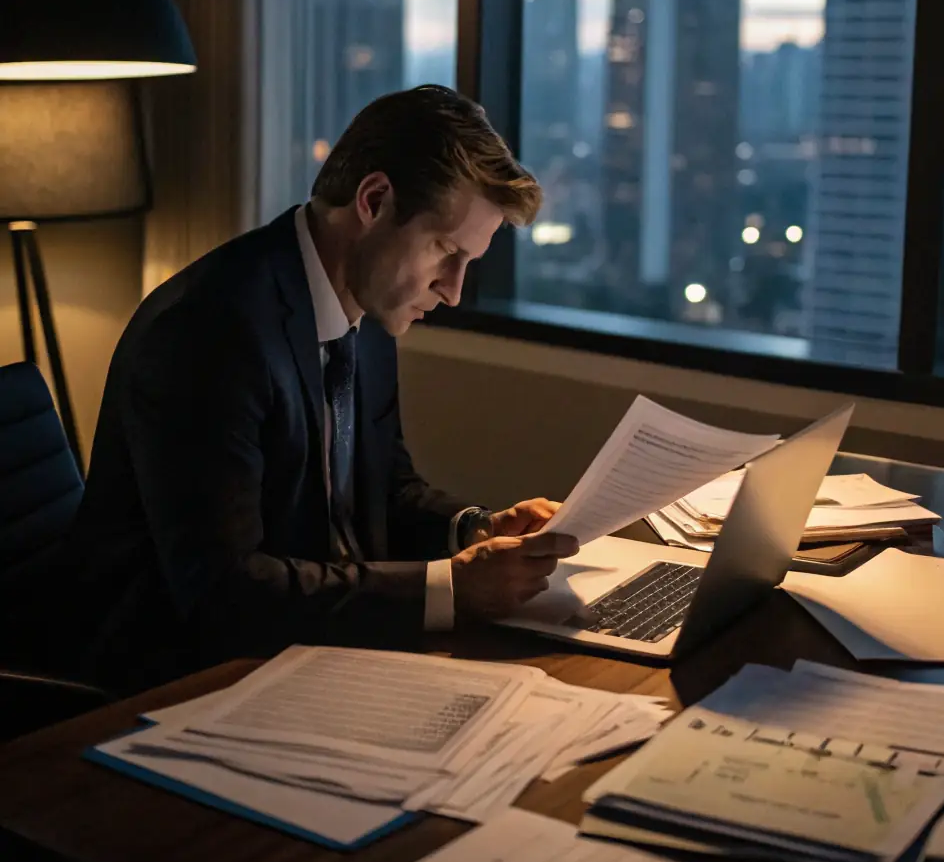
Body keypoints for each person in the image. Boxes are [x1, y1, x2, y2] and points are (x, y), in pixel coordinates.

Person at [56, 86, 579, 693]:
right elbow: (224, 596)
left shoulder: (370, 308)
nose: (454, 290)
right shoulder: (209, 332)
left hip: (315, 647)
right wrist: (450, 590)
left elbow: (385, 491)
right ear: (375, 201)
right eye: (445, 251)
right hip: (172, 680)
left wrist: (476, 529)